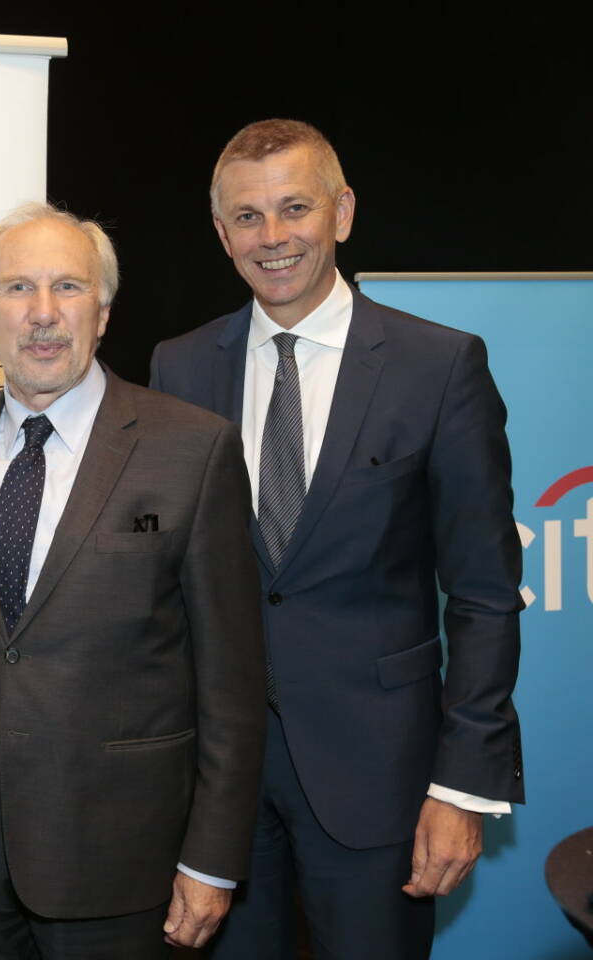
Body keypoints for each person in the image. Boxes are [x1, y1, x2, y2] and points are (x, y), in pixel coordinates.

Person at [149, 118, 524, 958]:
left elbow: (485, 593)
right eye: (248, 217)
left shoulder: (439, 366)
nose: (273, 237)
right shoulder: (180, 367)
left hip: (383, 780)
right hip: (220, 791)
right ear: (220, 234)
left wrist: (463, 783)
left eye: (295, 208)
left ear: (343, 212)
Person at [0, 202, 267, 958]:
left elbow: (232, 686)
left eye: (68, 289)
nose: (43, 315)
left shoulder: (193, 450)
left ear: (104, 312)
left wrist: (212, 858)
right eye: (17, 289)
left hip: (120, 861)